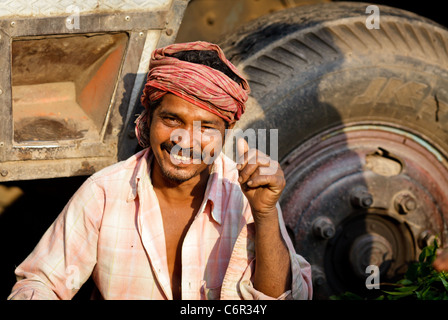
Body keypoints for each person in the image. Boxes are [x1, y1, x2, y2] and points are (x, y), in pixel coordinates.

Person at [8, 41, 312, 300]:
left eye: (206, 127)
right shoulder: (104, 192)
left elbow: (278, 298)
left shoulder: (245, 194)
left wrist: (265, 215)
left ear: (225, 134)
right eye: (172, 120)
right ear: (148, 119)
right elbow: (41, 282)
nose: (186, 141)